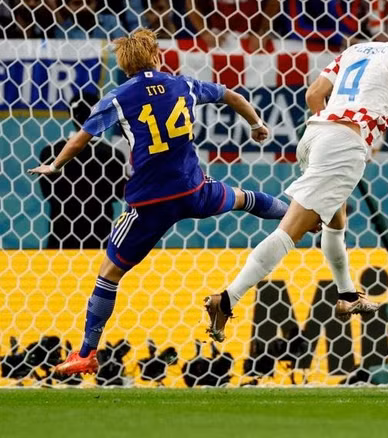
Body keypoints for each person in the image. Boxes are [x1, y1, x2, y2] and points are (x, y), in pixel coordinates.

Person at [27, 28, 291, 376]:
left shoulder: (120, 97)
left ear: (124, 66)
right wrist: (256, 123)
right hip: (194, 191)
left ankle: (87, 353)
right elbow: (231, 95)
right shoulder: (184, 85)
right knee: (245, 198)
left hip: (149, 204)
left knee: (109, 274)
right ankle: (301, 214)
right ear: (156, 55)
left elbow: (81, 138)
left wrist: (55, 165)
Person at [203, 18, 388, 341]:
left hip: (315, 134)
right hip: (343, 144)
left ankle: (347, 294)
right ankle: (227, 299)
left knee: (336, 220)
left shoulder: (357, 50)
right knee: (290, 231)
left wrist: (332, 132)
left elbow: (314, 94)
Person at [39, 92, 129, 249]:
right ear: (100, 116)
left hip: (60, 240)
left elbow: (48, 193)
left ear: (70, 115)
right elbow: (118, 195)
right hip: (99, 240)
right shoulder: (112, 155)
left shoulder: (50, 152)